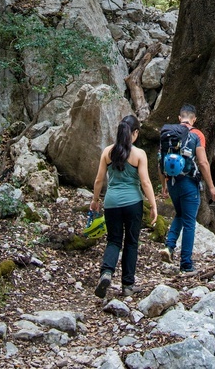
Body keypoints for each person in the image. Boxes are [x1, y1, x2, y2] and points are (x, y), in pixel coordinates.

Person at [90, 114, 157, 298]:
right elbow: (146, 182)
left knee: (113, 241)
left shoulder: (108, 152)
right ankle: (127, 285)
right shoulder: (139, 154)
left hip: (111, 203)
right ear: (134, 133)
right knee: (131, 243)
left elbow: (98, 180)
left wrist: (95, 200)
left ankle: (106, 273)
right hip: (133, 203)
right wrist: (153, 205)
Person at [159, 104, 215, 274]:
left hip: (172, 182)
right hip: (189, 183)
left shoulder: (168, 134)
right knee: (189, 223)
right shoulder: (196, 134)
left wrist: (164, 185)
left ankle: (169, 247)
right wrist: (212, 187)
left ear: (180, 118)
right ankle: (186, 264)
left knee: (180, 214)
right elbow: (202, 162)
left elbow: (161, 160)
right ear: (194, 119)